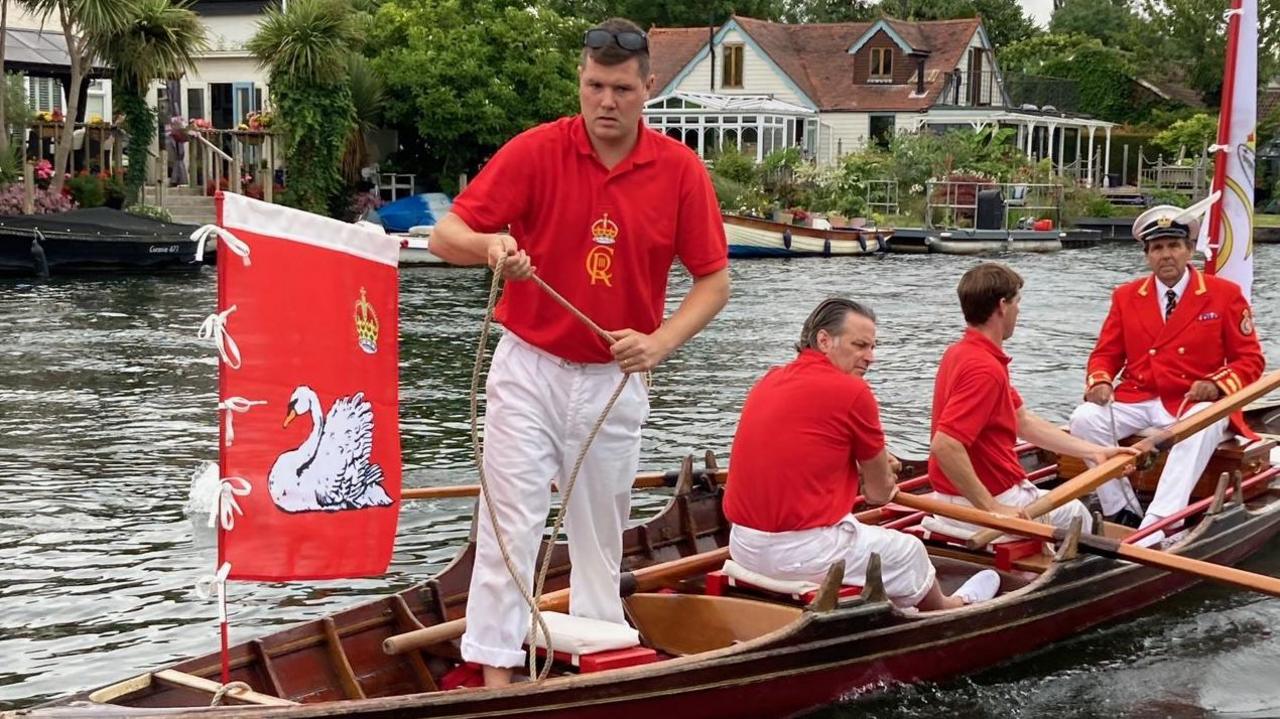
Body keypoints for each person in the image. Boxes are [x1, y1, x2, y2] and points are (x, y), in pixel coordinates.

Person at [429, 18, 730, 687]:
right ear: (580, 81)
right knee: (511, 524)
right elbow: (446, 234)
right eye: (595, 85)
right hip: (530, 365)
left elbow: (714, 281)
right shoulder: (538, 151)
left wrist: (660, 342)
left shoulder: (680, 171)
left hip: (615, 377)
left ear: (648, 86)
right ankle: (496, 679)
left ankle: (601, 669)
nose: (606, 101)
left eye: (622, 88)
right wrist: (491, 248)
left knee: (599, 534)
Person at [725, 298, 1002, 611]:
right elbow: (879, 493)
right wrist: (882, 472)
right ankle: (948, 607)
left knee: (860, 534)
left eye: (872, 347)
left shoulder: (769, 379)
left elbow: (810, 452)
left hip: (743, 544)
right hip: (800, 553)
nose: (870, 357)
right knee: (910, 550)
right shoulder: (854, 392)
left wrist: (870, 463)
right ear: (824, 340)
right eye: (860, 346)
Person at [1069, 205, 1264, 546]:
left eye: (1174, 246)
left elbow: (1250, 360)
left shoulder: (1223, 294)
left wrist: (1217, 386)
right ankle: (1122, 509)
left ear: (1190, 250)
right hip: (1139, 396)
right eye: (1157, 248)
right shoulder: (1127, 296)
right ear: (1147, 255)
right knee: (1084, 419)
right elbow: (1105, 354)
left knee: (1199, 423)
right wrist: (1100, 381)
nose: (1166, 255)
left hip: (1192, 401)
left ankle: (1160, 523)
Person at [928, 263, 1138, 538]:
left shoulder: (960, 353)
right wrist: (991, 506)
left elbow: (1022, 421)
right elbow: (945, 445)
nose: (1019, 310)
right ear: (1002, 306)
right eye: (1018, 302)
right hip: (985, 501)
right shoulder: (985, 369)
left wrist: (1093, 452)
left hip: (950, 497)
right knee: (1077, 514)